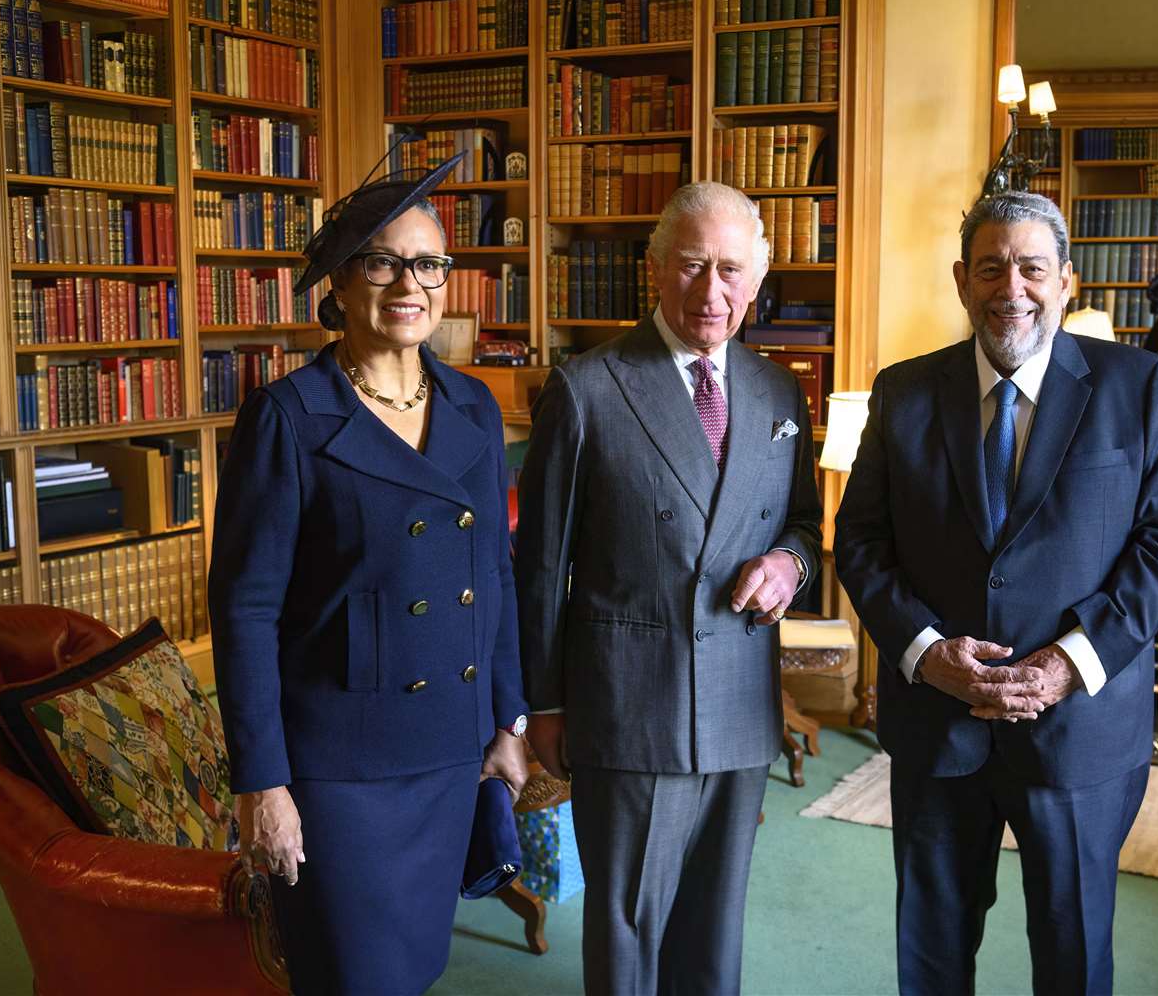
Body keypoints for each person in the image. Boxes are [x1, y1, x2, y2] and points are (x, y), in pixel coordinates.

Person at [834, 190, 1158, 996]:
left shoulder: (1137, 386)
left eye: (1033, 268)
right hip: (940, 727)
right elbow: (860, 540)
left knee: (1072, 958)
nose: (1013, 288)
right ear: (962, 280)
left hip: (1078, 731)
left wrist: (1069, 664)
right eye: (992, 268)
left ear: (1067, 280)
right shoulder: (904, 393)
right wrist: (927, 654)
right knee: (931, 954)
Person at [208, 156, 530, 996]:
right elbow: (244, 613)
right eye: (383, 262)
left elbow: (492, 573)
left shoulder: (474, 406)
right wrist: (262, 783)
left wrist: (509, 721)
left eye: (429, 264)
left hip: (450, 750)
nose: (409, 284)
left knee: (416, 966)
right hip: (340, 768)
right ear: (342, 285)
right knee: (351, 975)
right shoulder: (287, 416)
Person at [515, 181, 822, 995]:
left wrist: (790, 563)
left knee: (713, 934)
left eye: (731, 270)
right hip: (629, 707)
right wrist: (544, 703)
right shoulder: (586, 388)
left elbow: (805, 526)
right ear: (654, 270)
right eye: (692, 266)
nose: (711, 291)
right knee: (628, 931)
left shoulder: (778, 391)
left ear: (758, 281)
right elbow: (541, 565)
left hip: (741, 705)